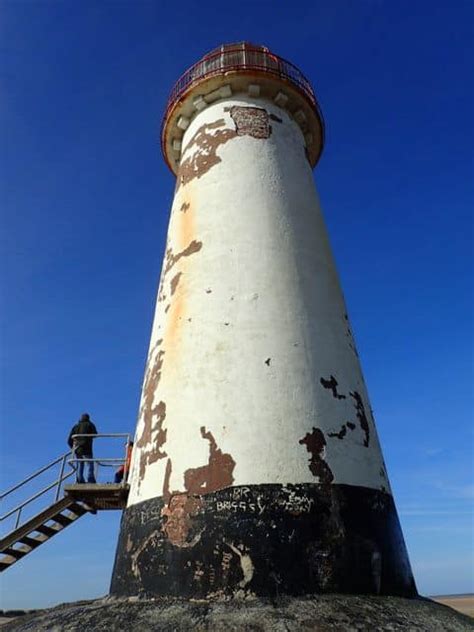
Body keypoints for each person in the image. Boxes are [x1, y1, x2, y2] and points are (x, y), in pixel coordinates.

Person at [68, 413, 97, 484]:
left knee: (80, 464)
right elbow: (95, 434)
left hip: (78, 449)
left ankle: (80, 479)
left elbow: (69, 440)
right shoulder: (90, 424)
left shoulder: (76, 426)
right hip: (87, 448)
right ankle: (90, 479)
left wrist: (73, 448)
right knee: (90, 464)